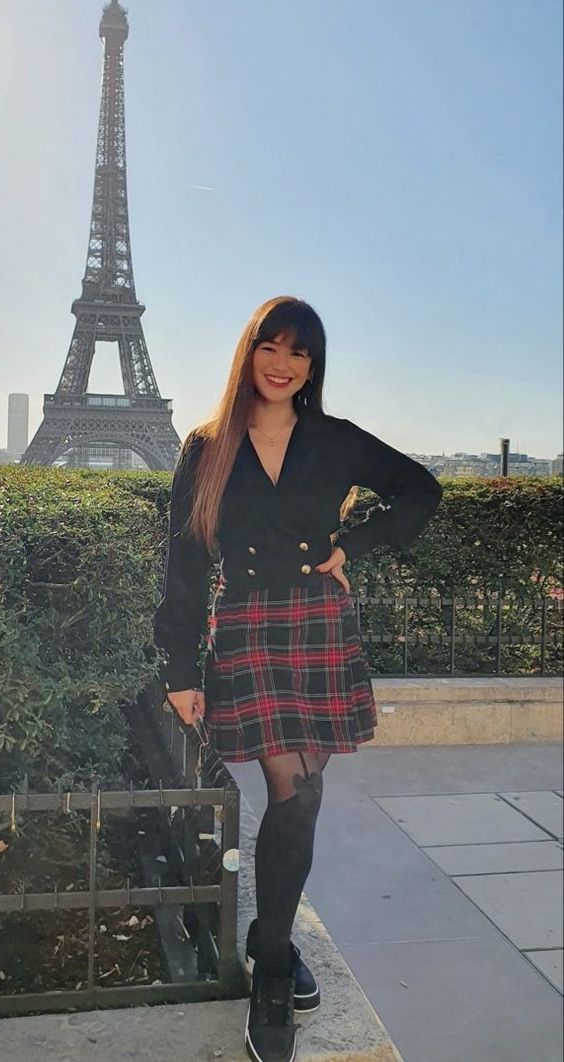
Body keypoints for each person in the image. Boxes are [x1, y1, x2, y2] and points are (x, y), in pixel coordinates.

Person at [153, 295, 443, 1062]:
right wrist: (178, 666)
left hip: (317, 620)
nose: (282, 364)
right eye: (270, 347)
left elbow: (421, 489)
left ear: (314, 365)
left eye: (299, 352)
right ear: (249, 352)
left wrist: (354, 546)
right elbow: (185, 560)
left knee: (303, 793)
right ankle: (275, 965)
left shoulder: (333, 439)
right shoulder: (207, 446)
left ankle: (269, 942)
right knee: (297, 791)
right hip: (248, 625)